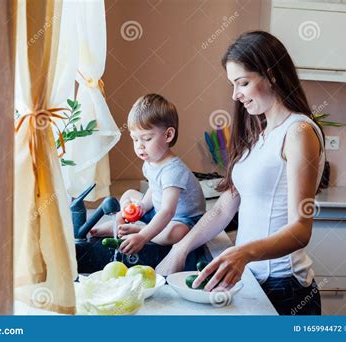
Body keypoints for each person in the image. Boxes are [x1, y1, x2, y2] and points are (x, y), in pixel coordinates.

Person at [156, 31, 325, 315]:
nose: (236, 95)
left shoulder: (299, 132)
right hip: (252, 281)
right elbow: (224, 209)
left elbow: (300, 230)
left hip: (286, 288)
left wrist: (242, 252)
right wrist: (180, 248)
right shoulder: (260, 135)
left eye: (242, 83)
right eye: (233, 85)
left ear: (271, 75)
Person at [90, 94, 206, 255]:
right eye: (135, 139)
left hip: (183, 219)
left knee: (174, 233)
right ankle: (121, 224)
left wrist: (143, 236)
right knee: (129, 194)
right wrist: (143, 206)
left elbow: (168, 211)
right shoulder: (150, 162)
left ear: (168, 135)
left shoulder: (173, 171)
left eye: (146, 138)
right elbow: (154, 187)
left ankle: (138, 230)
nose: (139, 146)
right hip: (157, 211)